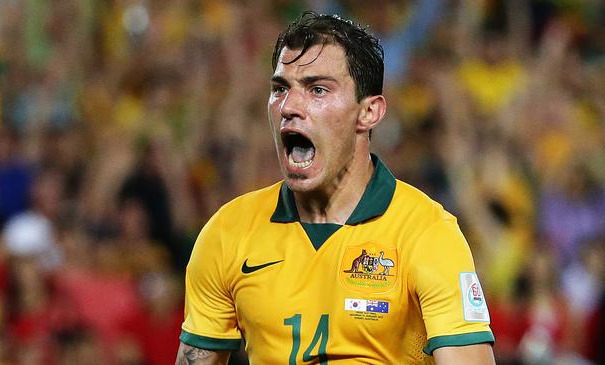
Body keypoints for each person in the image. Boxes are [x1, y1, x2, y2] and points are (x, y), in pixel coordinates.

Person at [176, 11, 495, 365]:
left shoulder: (427, 234)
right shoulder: (227, 232)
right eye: (280, 88)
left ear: (368, 112)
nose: (289, 107)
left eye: (317, 89)